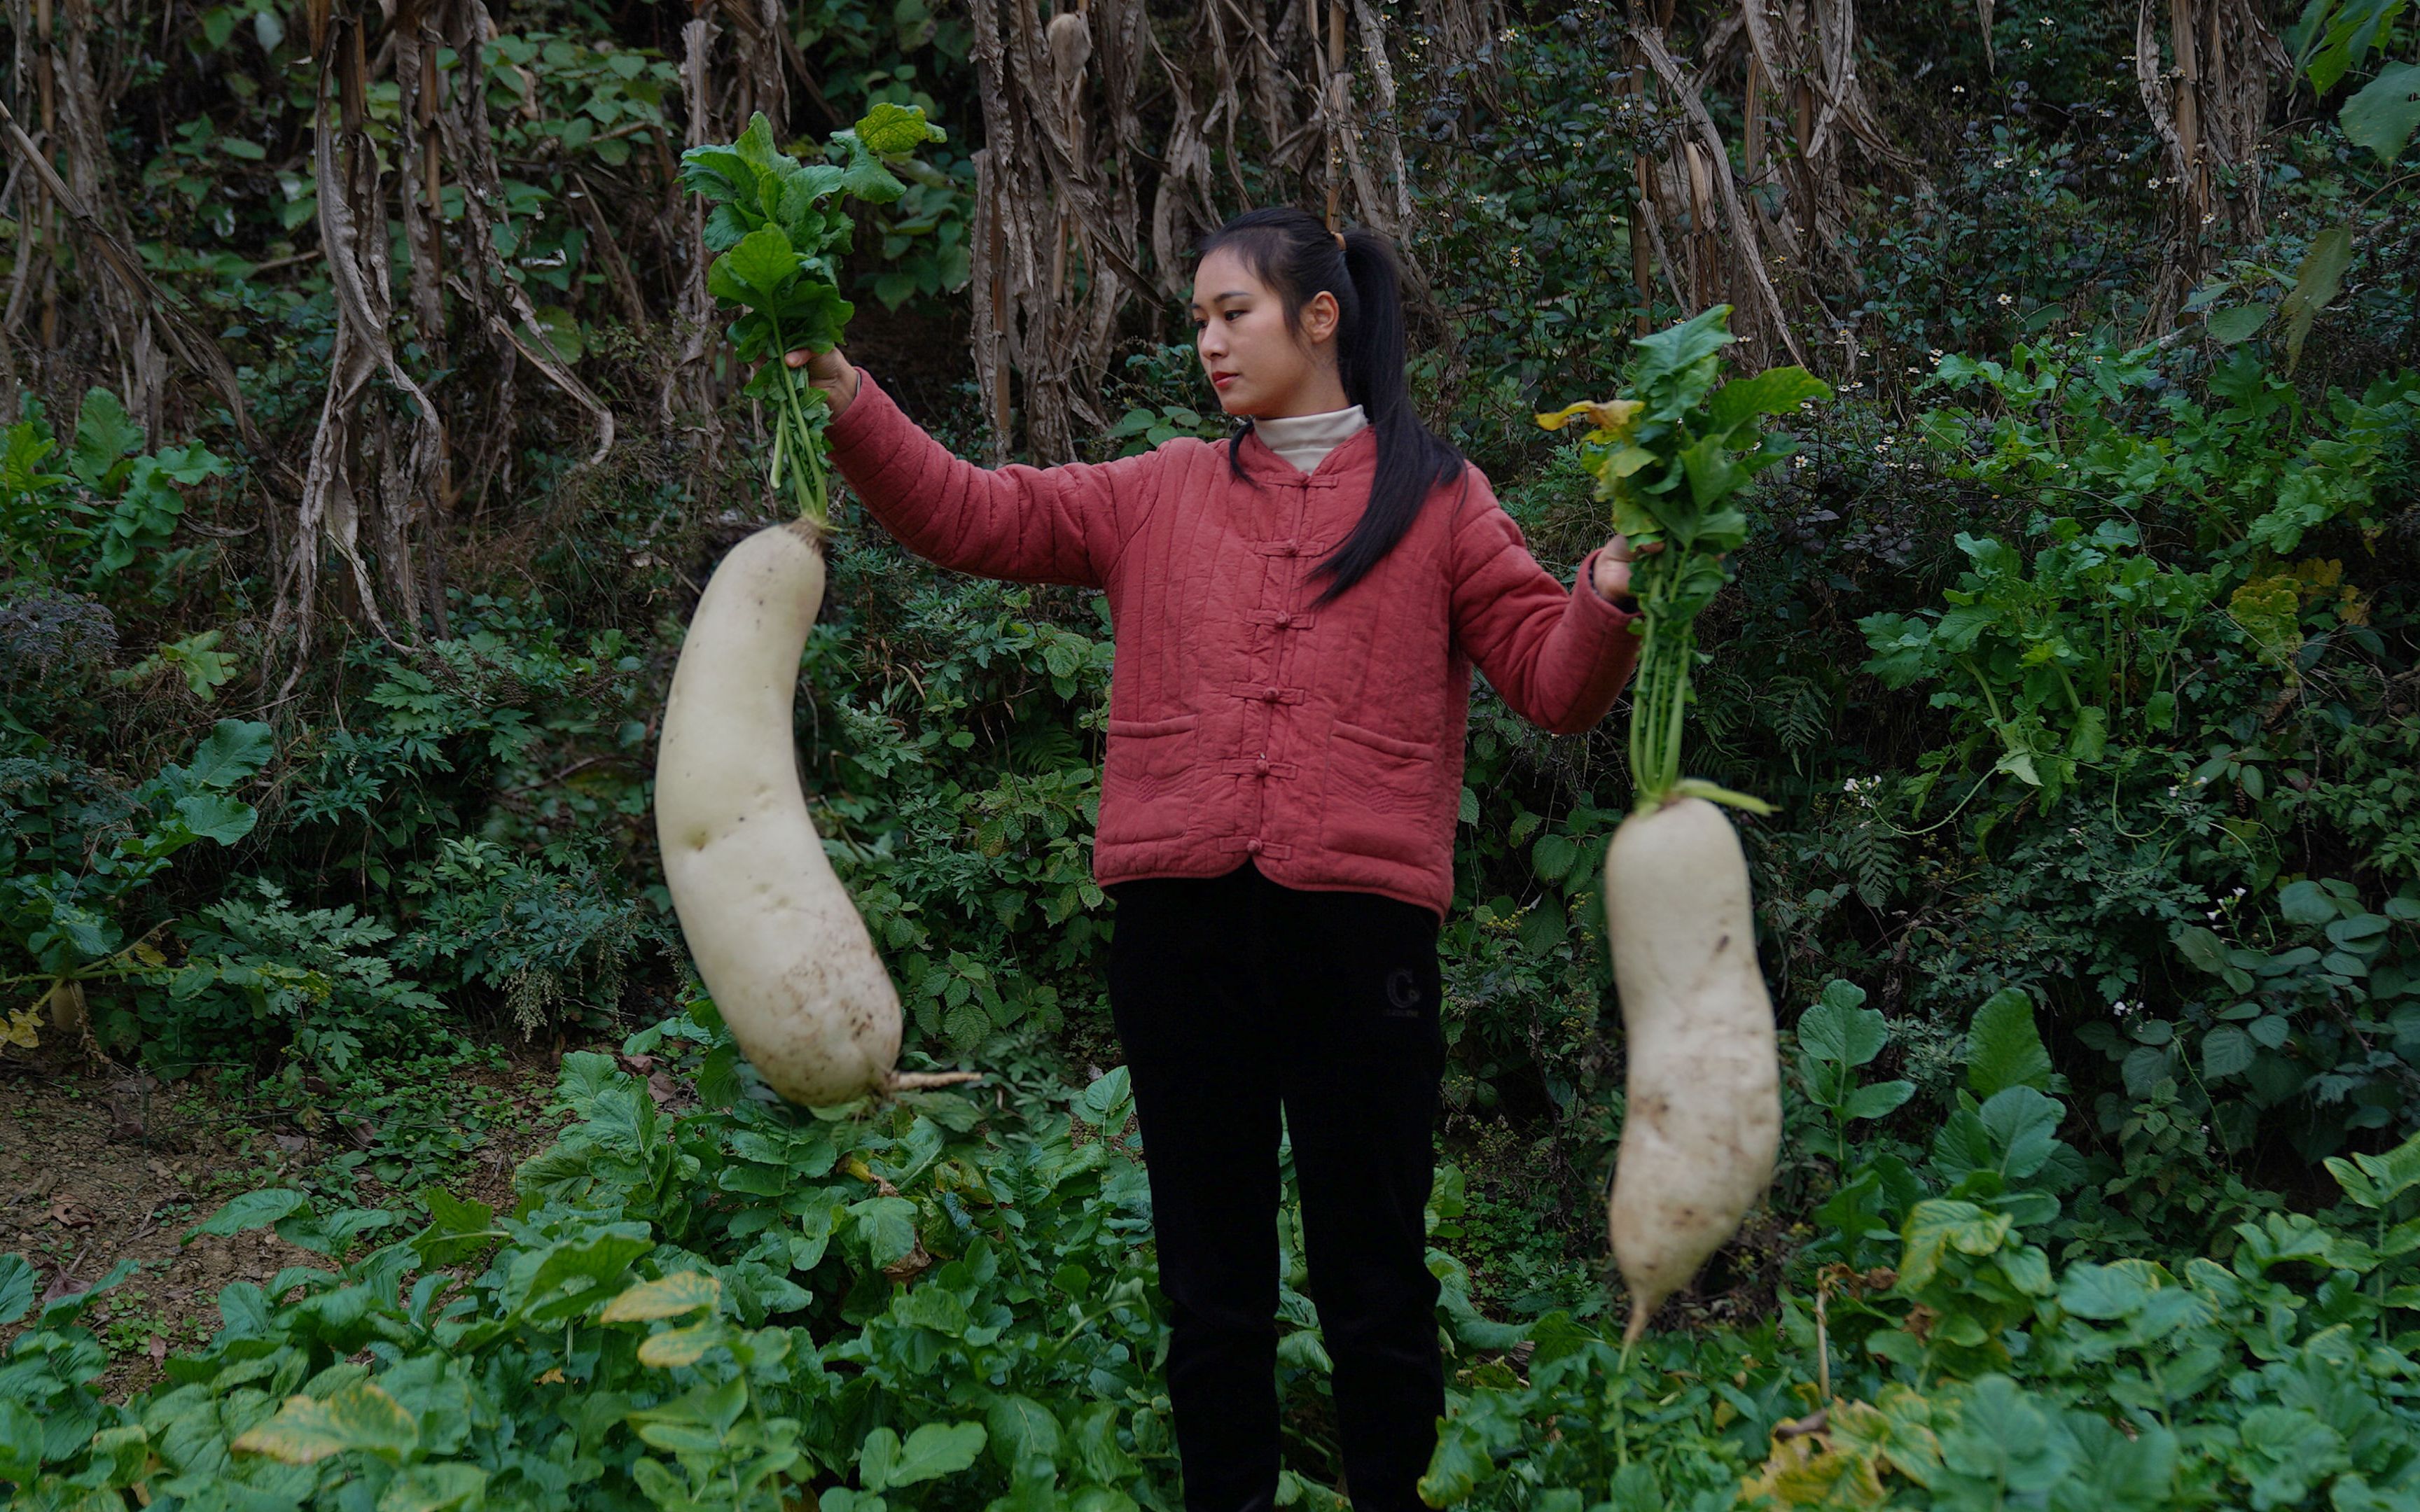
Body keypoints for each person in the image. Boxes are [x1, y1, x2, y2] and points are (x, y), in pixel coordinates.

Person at [783, 206, 1645, 1511]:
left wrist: (1617, 590)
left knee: (1377, 1280)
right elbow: (974, 515)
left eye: (1230, 312)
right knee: (1211, 1284)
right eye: (1196, 321)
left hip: (1362, 945)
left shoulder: (1441, 498)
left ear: (1320, 316)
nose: (1208, 343)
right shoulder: (1158, 491)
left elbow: (1552, 683)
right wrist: (848, 397)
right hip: (1180, 934)